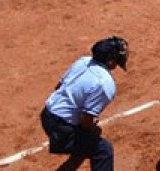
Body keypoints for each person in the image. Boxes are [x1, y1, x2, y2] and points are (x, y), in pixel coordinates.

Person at [41, 36, 129, 171]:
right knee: (104, 150)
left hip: (47, 113)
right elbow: (87, 119)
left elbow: (58, 87)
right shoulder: (105, 83)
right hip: (61, 129)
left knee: (87, 136)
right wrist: (91, 130)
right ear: (111, 62)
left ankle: (79, 147)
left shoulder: (83, 61)